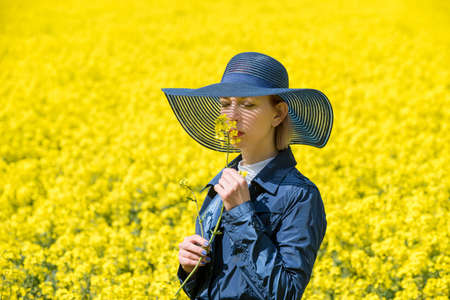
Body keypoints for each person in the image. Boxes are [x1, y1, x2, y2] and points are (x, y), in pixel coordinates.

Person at [162, 52, 333, 299]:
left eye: (247, 104)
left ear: (278, 114)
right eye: (225, 104)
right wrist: (191, 268)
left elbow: (285, 294)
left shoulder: (300, 196)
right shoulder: (221, 184)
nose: (231, 116)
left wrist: (242, 213)